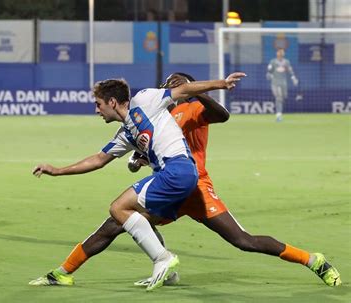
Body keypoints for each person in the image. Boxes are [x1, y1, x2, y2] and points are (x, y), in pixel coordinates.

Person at [29, 73, 341, 288]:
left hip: (193, 183)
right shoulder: (141, 123)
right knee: (118, 220)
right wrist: (136, 158)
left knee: (242, 241)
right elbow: (101, 158)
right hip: (170, 182)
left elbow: (220, 115)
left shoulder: (186, 108)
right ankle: (64, 272)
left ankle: (312, 260)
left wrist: (211, 87)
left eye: (175, 85)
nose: (169, 88)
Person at [31, 72, 246, 291]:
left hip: (177, 172)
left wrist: (221, 83)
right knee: (125, 221)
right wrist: (57, 171)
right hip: (173, 177)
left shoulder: (145, 100)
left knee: (118, 208)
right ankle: (63, 273)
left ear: (112, 102)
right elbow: (98, 160)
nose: (96, 110)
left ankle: (162, 259)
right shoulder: (126, 133)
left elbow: (184, 90)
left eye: (98, 104)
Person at [266, 48, 299, 122]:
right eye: (279, 52)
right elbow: (269, 71)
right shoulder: (273, 62)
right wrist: (269, 75)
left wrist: (293, 78)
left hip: (283, 83)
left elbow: (290, 71)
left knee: (283, 97)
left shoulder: (286, 62)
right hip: (275, 83)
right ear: (277, 53)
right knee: (278, 98)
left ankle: (279, 110)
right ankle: (278, 115)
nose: (280, 53)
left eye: (282, 52)